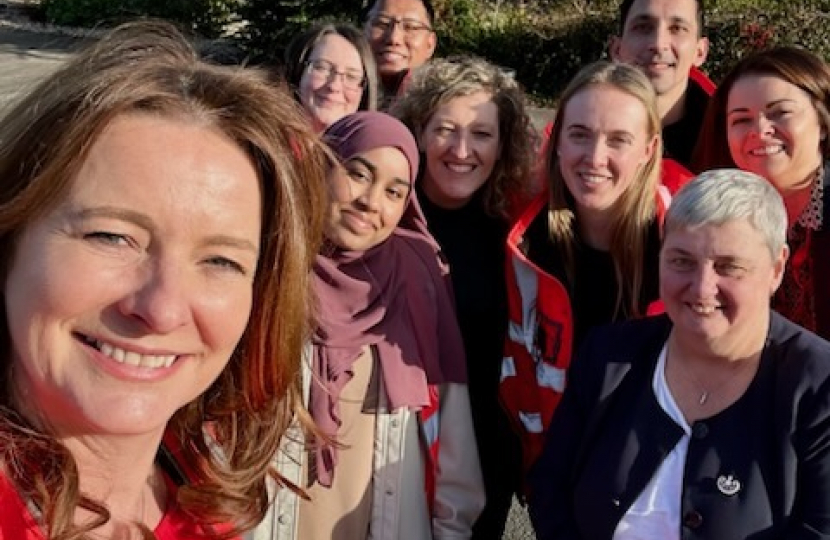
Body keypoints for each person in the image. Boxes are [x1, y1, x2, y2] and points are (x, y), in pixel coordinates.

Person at [0, 20, 328, 539]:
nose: (163, 308)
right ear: (10, 241)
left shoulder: (205, 511)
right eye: (111, 236)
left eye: (220, 261)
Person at [530, 168, 830, 540]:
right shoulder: (608, 355)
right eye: (681, 261)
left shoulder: (817, 384)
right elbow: (551, 490)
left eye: (729, 266)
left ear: (776, 268)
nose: (702, 288)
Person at [248, 111, 484, 540]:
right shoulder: (267, 266)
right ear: (322, 166)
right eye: (358, 173)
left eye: (395, 192)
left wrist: (452, 530)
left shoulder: (419, 278)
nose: (371, 202)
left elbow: (451, 427)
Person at [392, 55, 535, 539]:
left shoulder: (515, 234)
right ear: (418, 131)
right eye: (445, 129)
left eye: (481, 134)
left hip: (483, 449)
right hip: (394, 441)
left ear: (504, 145)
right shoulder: (386, 218)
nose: (460, 149)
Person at [500, 60, 665, 476]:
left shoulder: (681, 238)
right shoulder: (524, 242)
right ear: (556, 141)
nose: (595, 157)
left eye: (619, 140)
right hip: (559, 472)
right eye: (580, 135)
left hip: (655, 481)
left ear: (648, 150)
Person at [692, 46, 830, 340]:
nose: (760, 130)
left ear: (822, 123)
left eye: (780, 113)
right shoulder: (714, 219)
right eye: (741, 119)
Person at [610, 0, 714, 180]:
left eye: (677, 28)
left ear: (700, 52)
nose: (658, 44)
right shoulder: (574, 139)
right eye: (643, 27)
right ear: (616, 49)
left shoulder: (730, 142)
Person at [283, 22, 379, 132]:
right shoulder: (264, 144)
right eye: (322, 68)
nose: (334, 86)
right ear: (298, 71)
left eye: (351, 77)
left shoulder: (377, 146)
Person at [363, 0, 437, 107]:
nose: (393, 38)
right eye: (382, 24)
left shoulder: (441, 107)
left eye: (410, 27)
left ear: (430, 44)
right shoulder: (336, 93)